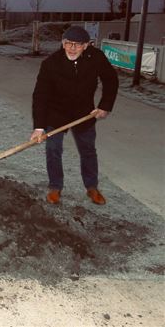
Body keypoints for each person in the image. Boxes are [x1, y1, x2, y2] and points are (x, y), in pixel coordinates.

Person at [31, 25, 118, 205]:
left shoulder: (96, 58)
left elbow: (111, 80)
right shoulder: (51, 63)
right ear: (63, 44)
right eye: (68, 43)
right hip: (56, 113)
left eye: (77, 45)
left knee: (88, 150)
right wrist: (39, 127)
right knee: (53, 149)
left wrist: (104, 105)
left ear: (86, 45)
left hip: (84, 112)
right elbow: (40, 95)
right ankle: (55, 187)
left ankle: (92, 187)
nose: (72, 48)